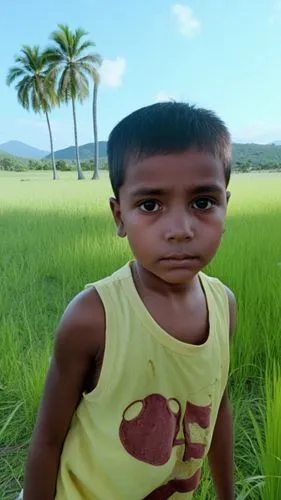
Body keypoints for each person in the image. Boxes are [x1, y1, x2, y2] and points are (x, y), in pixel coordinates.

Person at [22, 102, 236, 500]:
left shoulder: (224, 306)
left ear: (226, 205)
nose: (180, 230)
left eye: (202, 202)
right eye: (150, 205)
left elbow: (218, 409)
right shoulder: (93, 317)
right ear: (119, 216)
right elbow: (47, 441)